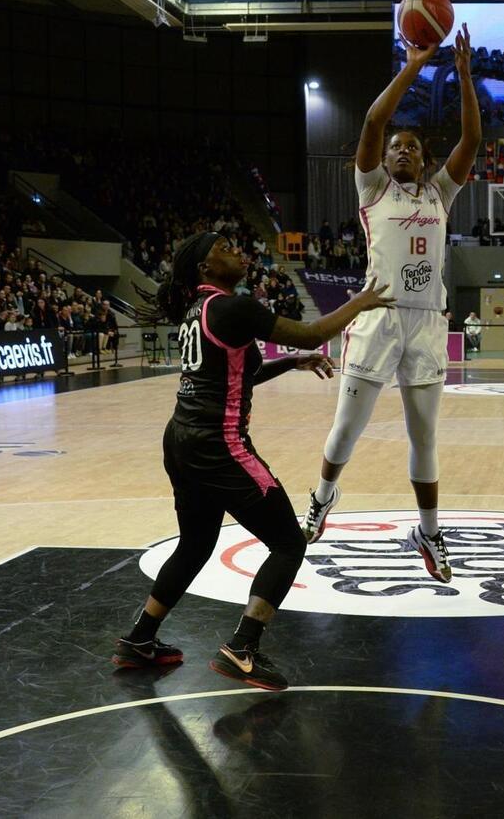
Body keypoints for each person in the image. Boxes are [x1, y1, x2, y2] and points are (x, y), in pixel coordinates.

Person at [112, 232, 393, 690]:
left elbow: (242, 374)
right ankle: (242, 647)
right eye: (223, 248)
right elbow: (313, 331)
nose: (237, 251)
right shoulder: (231, 307)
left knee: (195, 544)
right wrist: (360, 301)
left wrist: (292, 363)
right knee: (288, 542)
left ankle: (139, 638)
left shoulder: (200, 310)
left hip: (181, 439)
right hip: (216, 444)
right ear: (205, 268)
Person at [300, 24, 481, 584]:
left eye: (413, 148)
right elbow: (376, 121)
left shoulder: (439, 194)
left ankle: (429, 531)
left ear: (424, 163)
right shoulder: (371, 187)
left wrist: (465, 75)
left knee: (424, 437)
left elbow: (471, 142)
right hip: (376, 315)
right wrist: (416, 63)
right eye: (397, 147)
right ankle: (324, 498)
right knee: (347, 430)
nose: (402, 149)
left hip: (427, 322)